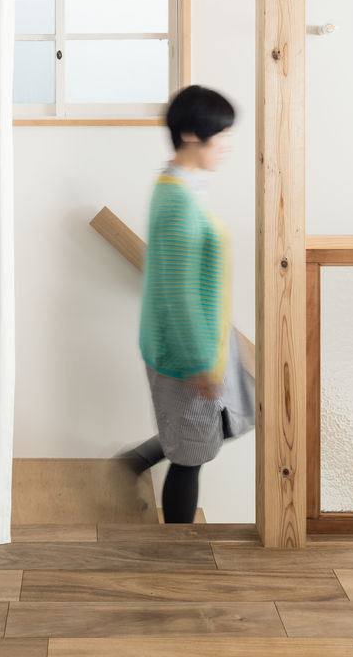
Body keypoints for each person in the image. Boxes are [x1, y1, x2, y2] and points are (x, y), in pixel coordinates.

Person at [123, 84, 242, 523]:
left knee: (207, 434)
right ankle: (179, 553)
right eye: (222, 135)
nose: (227, 145)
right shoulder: (176, 199)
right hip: (183, 353)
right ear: (192, 135)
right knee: (191, 457)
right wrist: (199, 365)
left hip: (200, 344)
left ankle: (135, 460)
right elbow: (178, 291)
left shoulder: (180, 185)